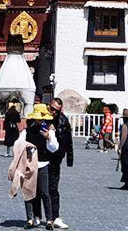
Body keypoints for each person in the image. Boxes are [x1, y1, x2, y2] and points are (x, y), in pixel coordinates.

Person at [12, 105, 60, 229]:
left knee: (44, 192)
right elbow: (18, 143)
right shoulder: (27, 129)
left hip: (43, 164)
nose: (41, 121)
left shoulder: (49, 129)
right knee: (28, 192)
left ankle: (49, 219)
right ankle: (30, 218)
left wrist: (48, 137)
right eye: (39, 118)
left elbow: (54, 148)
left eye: (43, 118)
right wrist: (26, 145)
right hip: (29, 164)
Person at [46, 98, 75, 230]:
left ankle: (55, 216)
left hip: (55, 159)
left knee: (53, 189)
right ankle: (35, 216)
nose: (53, 112)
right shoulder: (41, 116)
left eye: (56, 110)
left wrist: (69, 159)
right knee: (36, 188)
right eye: (51, 108)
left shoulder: (63, 121)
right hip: (40, 158)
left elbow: (68, 141)